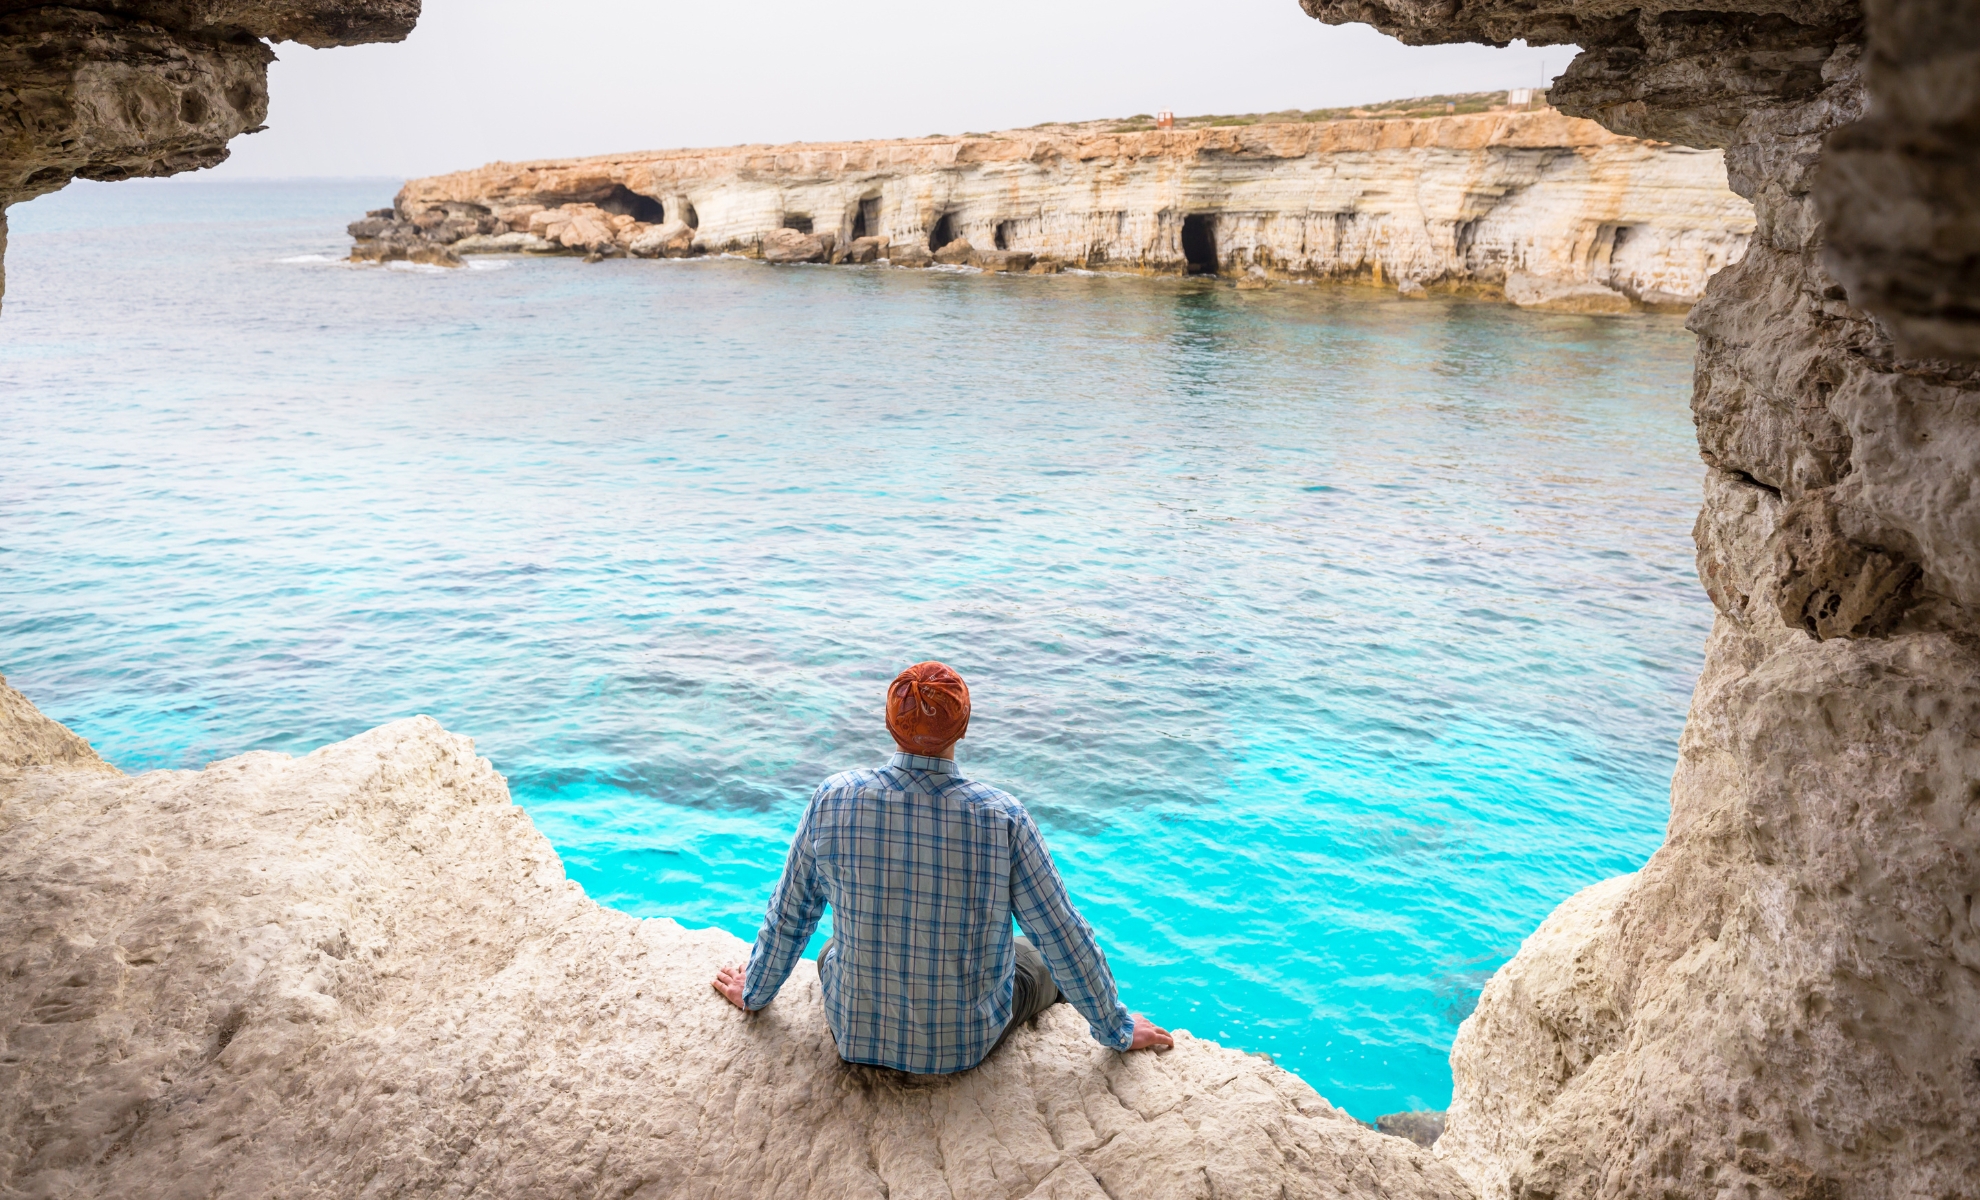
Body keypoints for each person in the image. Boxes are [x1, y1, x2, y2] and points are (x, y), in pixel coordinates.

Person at [711, 661, 1173, 1074]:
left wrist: (754, 991)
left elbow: (791, 914)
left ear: (890, 724)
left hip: (853, 1036)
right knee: (1035, 957)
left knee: (833, 946)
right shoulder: (1002, 816)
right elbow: (1062, 933)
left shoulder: (833, 798)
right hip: (964, 1046)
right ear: (963, 728)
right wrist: (1118, 1028)